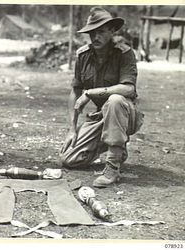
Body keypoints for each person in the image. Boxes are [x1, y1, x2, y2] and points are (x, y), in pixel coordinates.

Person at [60, 7, 144, 187]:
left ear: (113, 31)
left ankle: (112, 167)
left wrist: (91, 93)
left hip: (125, 113)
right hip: (102, 116)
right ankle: (117, 147)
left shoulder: (124, 53)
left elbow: (128, 89)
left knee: (114, 100)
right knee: (69, 159)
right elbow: (75, 91)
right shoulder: (83, 55)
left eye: (101, 32)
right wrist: (72, 129)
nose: (95, 37)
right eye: (92, 33)